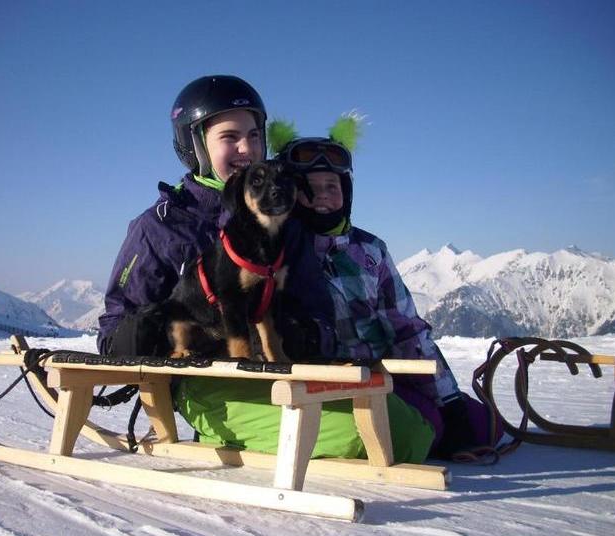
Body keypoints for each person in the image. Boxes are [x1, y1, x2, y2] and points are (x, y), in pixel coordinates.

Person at [98, 76, 433, 463]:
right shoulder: (162, 226)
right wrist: (154, 334)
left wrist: (298, 336)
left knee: (403, 419)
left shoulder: (286, 223)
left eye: (254, 135)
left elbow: (316, 311)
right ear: (195, 146)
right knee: (392, 432)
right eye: (230, 137)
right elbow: (114, 328)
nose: (247, 148)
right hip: (206, 388)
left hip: (282, 372)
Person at [270, 116, 501, 460]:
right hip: (333, 381)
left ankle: (437, 415)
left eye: (331, 186)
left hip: (386, 372)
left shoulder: (370, 251)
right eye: (309, 188)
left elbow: (407, 329)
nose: (321, 197)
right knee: (428, 427)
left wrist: (449, 399)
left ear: (346, 192)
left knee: (485, 425)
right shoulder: (282, 254)